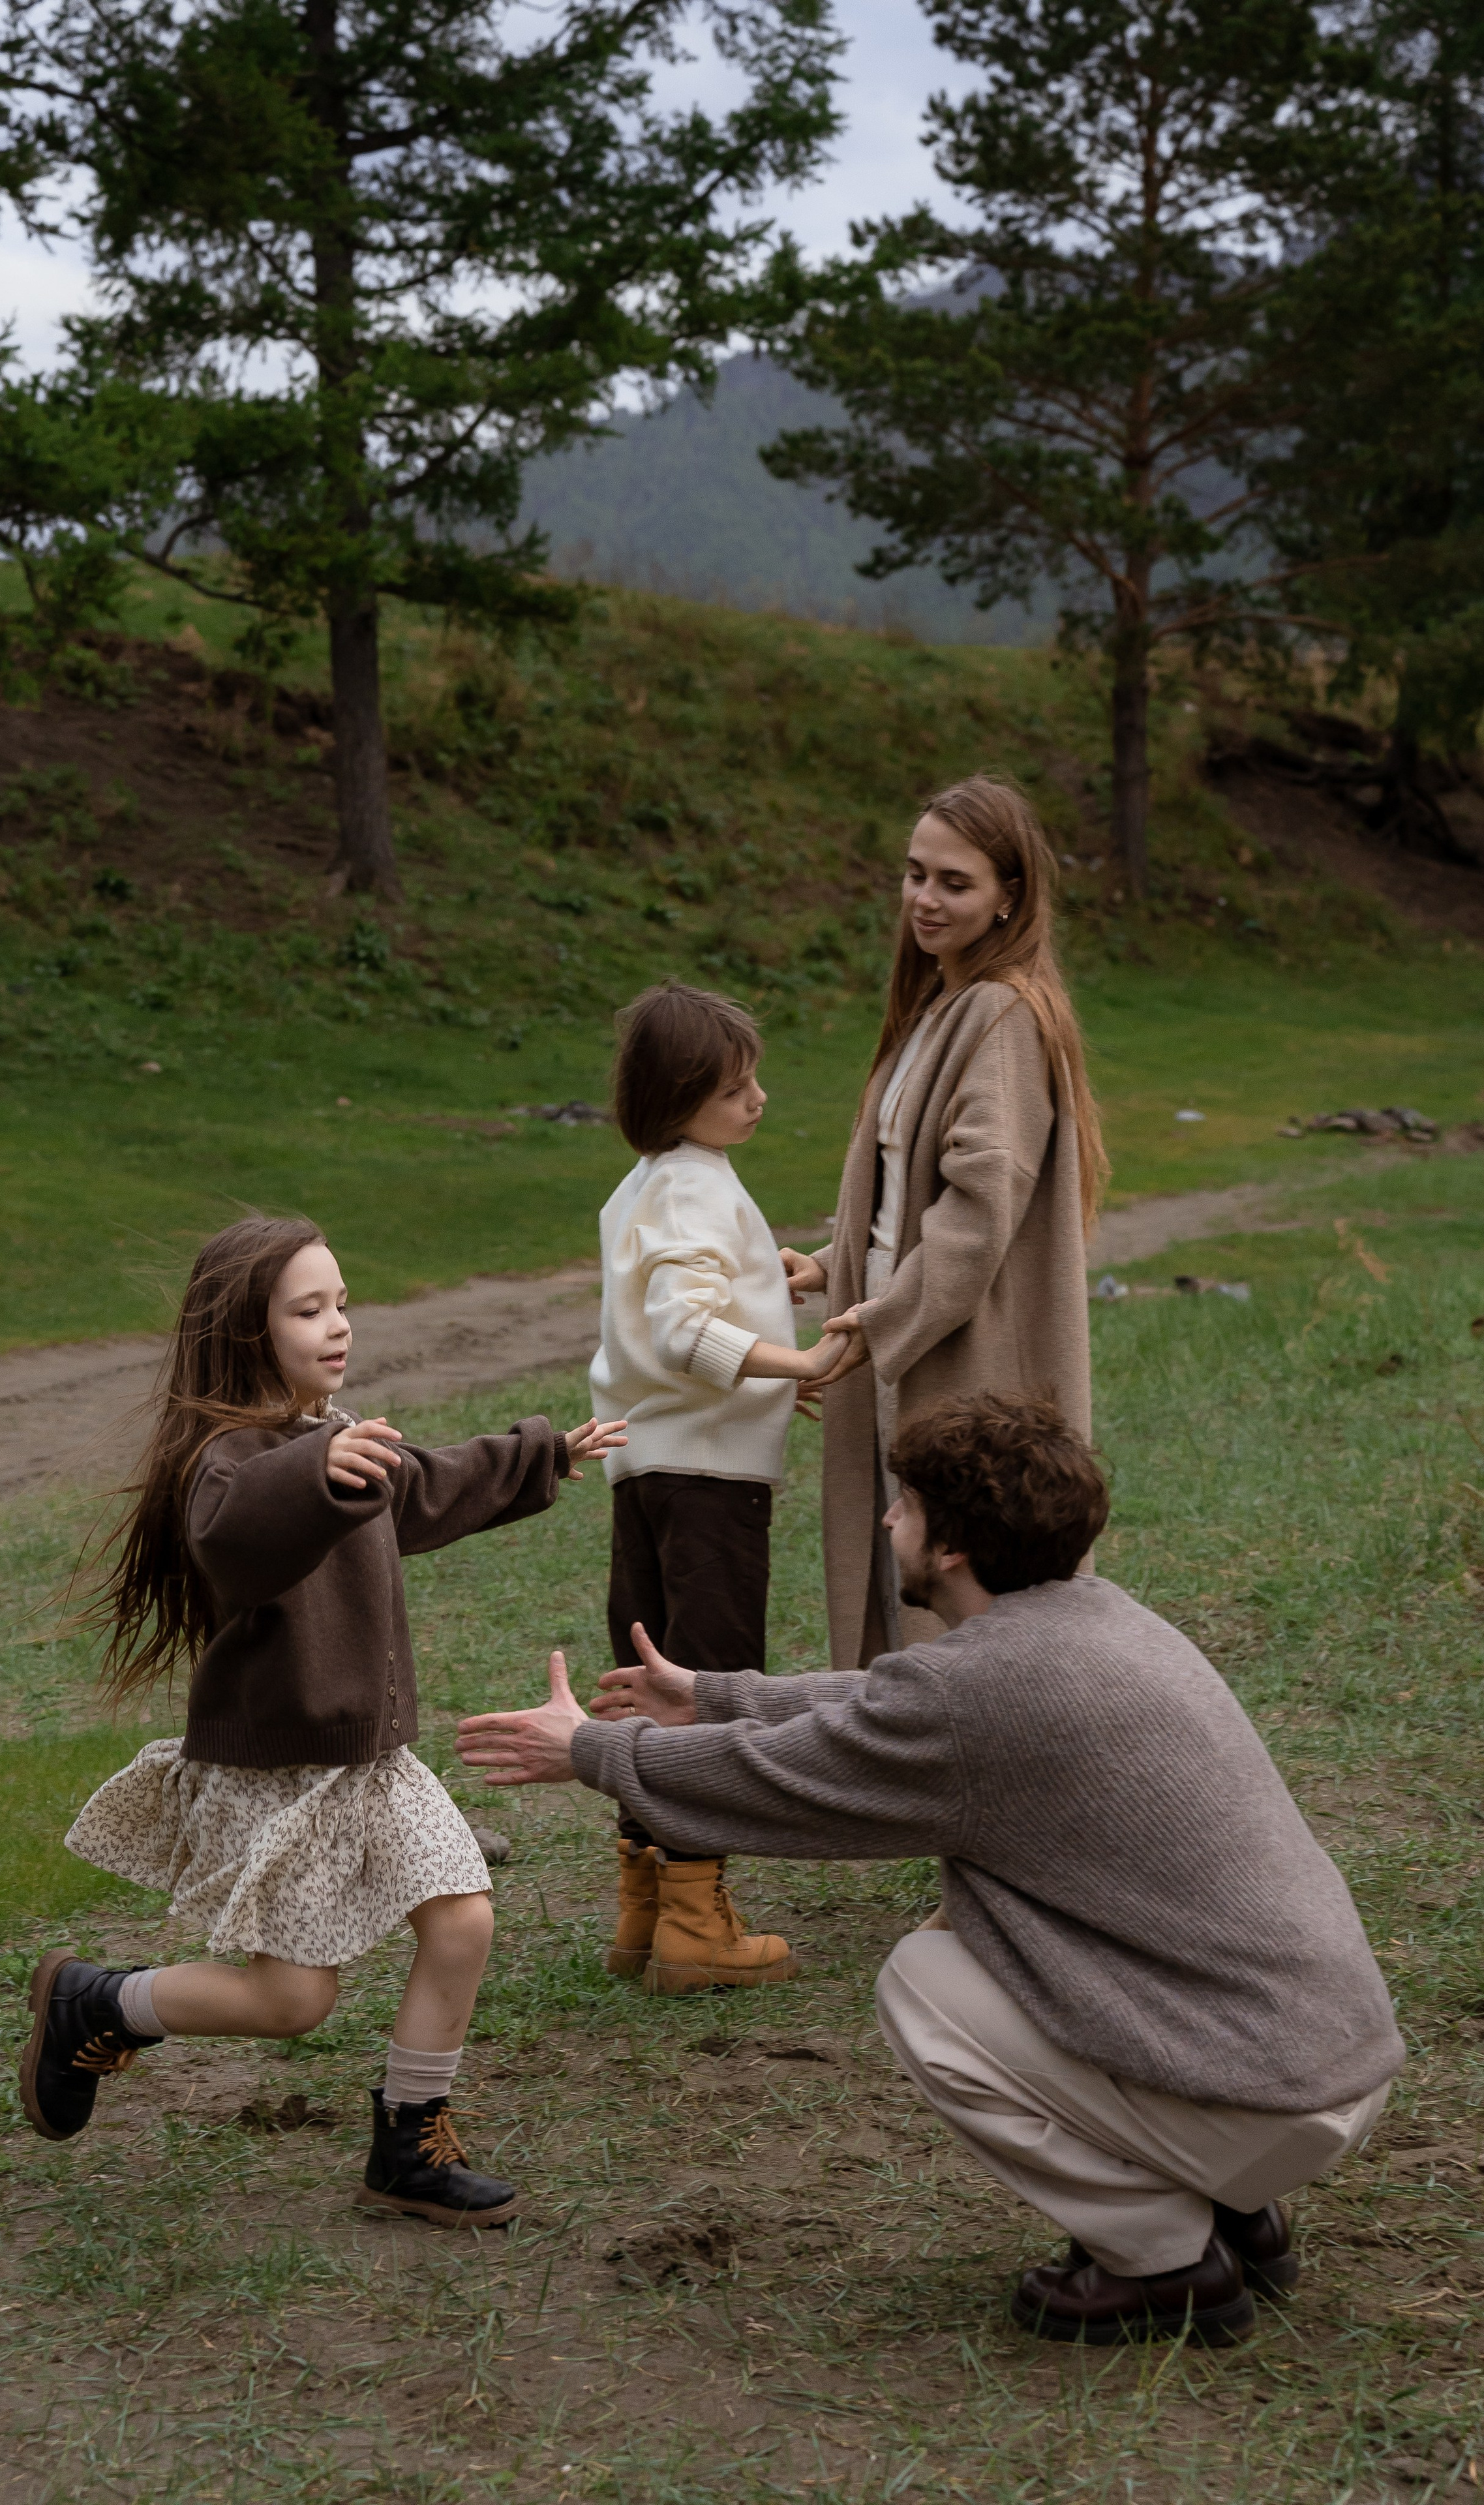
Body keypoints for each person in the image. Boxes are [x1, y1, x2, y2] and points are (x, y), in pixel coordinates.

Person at [455, 1392, 1403, 2346]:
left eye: (904, 1504)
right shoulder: (1097, 1618)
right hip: (1322, 2062)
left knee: (927, 1984)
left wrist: (588, 1752)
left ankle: (1165, 2261)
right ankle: (1238, 2211)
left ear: (950, 1547)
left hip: (1263, 2089)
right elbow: (887, 1701)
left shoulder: (977, 1691)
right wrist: (709, 1697)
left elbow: (782, 1782)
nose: (887, 1518)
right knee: (978, 1944)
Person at [16, 1213, 625, 2230]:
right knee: (292, 2003)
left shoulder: (328, 1436)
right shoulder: (228, 1460)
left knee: (464, 1918)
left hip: (374, 1759)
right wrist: (318, 1471)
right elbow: (236, 1538)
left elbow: (421, 1486)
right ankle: (97, 2001)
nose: (338, 1325)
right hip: (285, 1771)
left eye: (341, 1303)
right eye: (309, 1310)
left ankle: (408, 2141)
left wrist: (542, 1455)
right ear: (246, 1332)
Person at [781, 774, 1107, 1669]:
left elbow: (975, 1215)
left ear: (1011, 895)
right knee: (909, 1573)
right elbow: (906, 1198)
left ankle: (960, 1780)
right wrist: (831, 1263)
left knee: (960, 1585)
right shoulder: (941, 1003)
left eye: (954, 883)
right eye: (915, 874)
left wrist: (876, 1317)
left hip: (960, 1353)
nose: (925, 899)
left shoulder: (1001, 1016)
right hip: (910, 1337)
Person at [590, 981, 851, 1992]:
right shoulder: (699, 1184)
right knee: (705, 1687)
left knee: (647, 1685)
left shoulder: (644, 1185)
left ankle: (644, 1904)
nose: (760, 1100)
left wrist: (774, 1379)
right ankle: (697, 1921)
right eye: (736, 1087)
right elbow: (687, 1333)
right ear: (680, 1096)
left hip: (648, 1470)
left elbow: (661, 1339)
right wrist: (809, 1365)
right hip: (710, 1486)